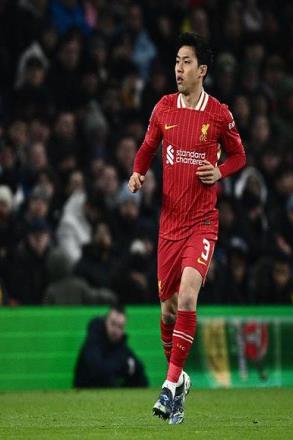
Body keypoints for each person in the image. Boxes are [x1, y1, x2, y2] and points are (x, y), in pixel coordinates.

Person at [128, 32, 246, 424]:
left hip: (202, 223)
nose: (179, 69)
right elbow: (147, 148)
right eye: (176, 61)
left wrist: (221, 171)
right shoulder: (163, 108)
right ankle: (180, 381)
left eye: (186, 62)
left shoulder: (219, 114)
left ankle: (168, 385)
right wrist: (138, 173)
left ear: (203, 70)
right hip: (169, 225)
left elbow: (239, 155)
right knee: (167, 311)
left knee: (189, 297)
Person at [73, 305, 148, 388]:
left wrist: (126, 367)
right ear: (105, 321)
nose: (115, 330)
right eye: (113, 324)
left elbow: (138, 367)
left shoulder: (121, 346)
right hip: (86, 388)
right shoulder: (93, 341)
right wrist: (123, 366)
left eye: (120, 327)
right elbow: (97, 369)